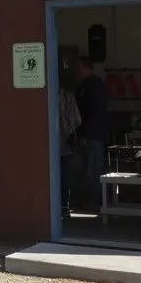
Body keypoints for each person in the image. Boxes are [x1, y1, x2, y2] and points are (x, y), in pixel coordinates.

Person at [74, 56, 108, 212]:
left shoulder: (95, 86)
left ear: (88, 68)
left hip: (93, 136)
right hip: (86, 134)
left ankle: (93, 202)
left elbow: (95, 113)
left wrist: (86, 135)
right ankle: (88, 200)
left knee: (93, 170)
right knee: (87, 169)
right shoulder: (85, 86)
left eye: (79, 68)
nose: (77, 71)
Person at [57, 72, 82, 218]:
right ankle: (64, 207)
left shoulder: (44, 95)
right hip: (65, 142)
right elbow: (77, 120)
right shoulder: (68, 96)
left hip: (49, 143)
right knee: (65, 175)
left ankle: (54, 206)